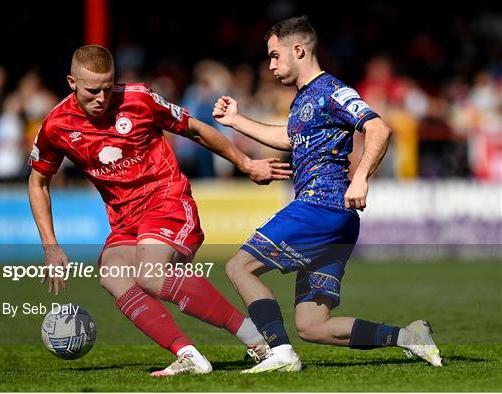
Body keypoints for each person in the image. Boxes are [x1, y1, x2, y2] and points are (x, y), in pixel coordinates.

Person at [28, 45, 293, 376]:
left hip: (167, 200)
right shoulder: (57, 125)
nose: (101, 98)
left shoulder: (139, 99)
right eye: (92, 90)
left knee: (150, 274)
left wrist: (247, 163)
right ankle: (188, 355)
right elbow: (38, 182)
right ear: (71, 82)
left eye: (108, 88)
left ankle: (258, 341)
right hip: (126, 220)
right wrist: (50, 246)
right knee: (112, 274)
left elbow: (195, 129)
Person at [212, 16, 443, 373]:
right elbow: (289, 140)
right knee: (312, 325)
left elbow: (378, 127)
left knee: (239, 266)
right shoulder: (303, 100)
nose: (270, 65)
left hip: (321, 205)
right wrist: (237, 122)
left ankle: (280, 353)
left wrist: (361, 176)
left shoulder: (332, 90)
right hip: (336, 219)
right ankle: (408, 337)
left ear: (298, 50)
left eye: (275, 56)